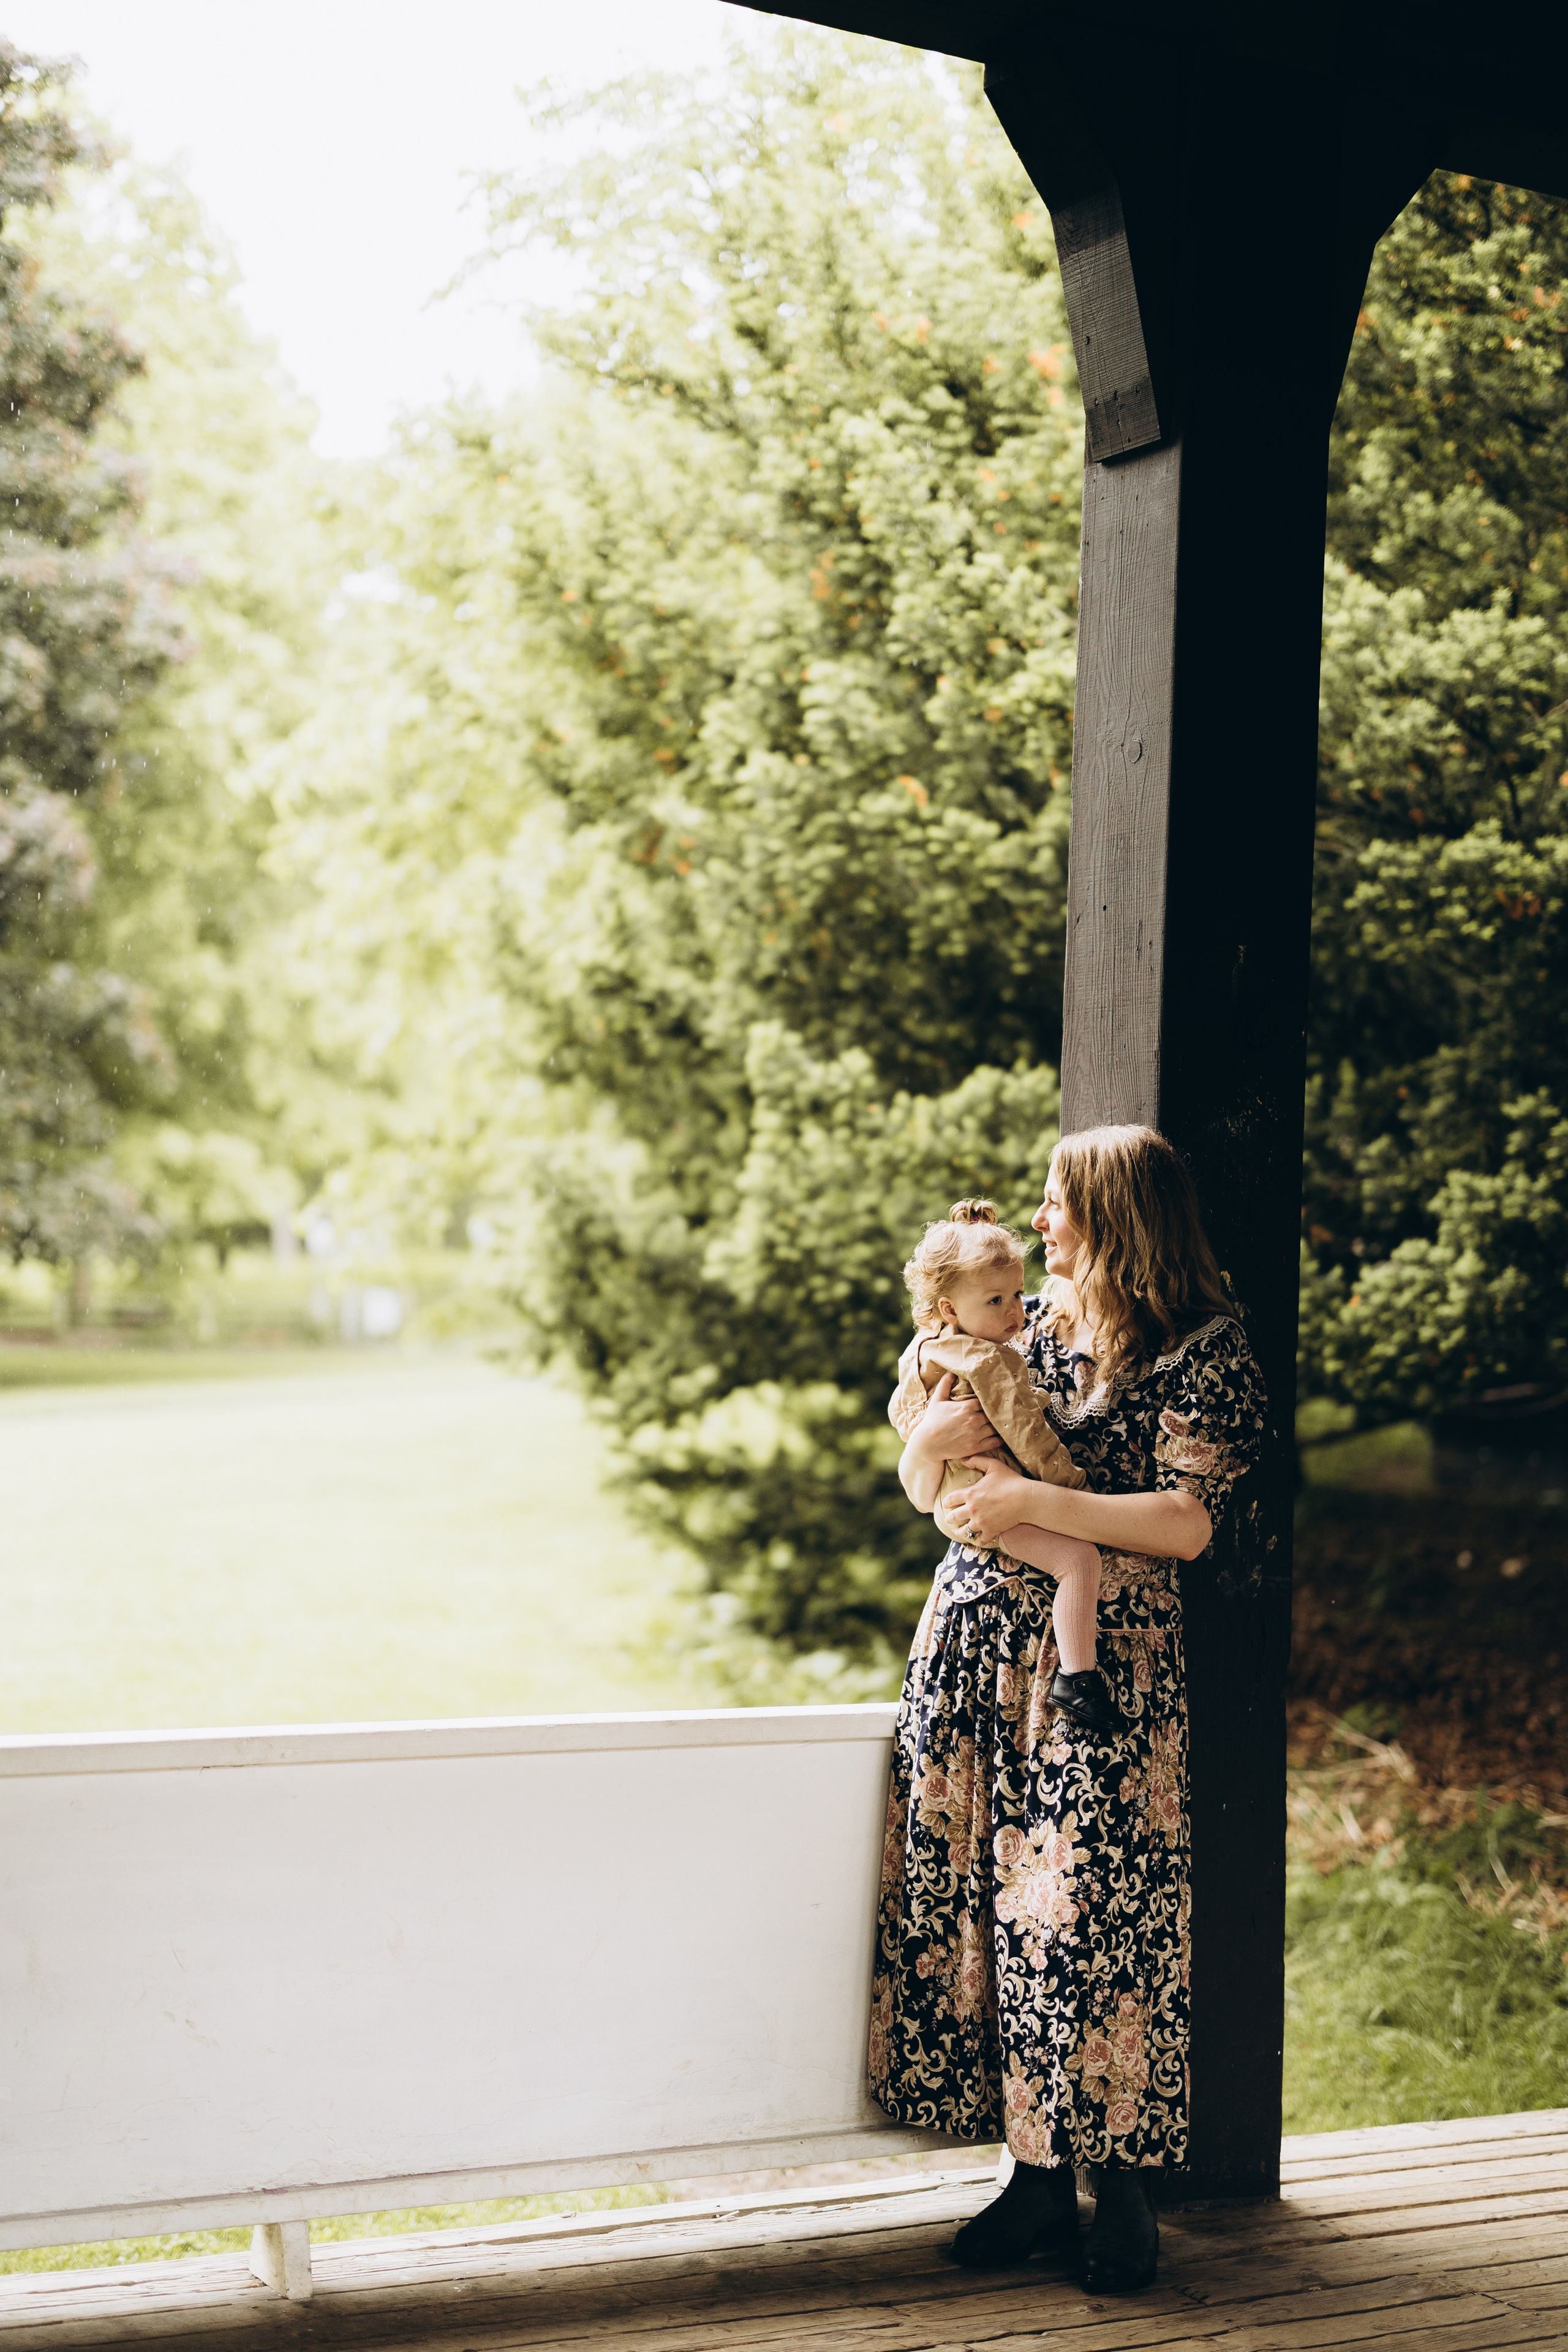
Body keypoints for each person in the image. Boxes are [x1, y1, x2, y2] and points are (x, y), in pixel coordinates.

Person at [867, 1124, 1267, 2293]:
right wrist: (918, 1459)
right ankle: (1034, 2185)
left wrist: (1040, 1498)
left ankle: (1121, 2189)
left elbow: (1185, 1525)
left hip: (1108, 1667)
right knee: (987, 1910)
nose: (1042, 1224)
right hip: (975, 1643)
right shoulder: (1027, 1322)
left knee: (1095, 1917)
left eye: (1058, 1203)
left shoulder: (1205, 1351)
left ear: (1115, 1216)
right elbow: (930, 1467)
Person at [889, 1197, 1120, 1737]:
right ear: (949, 1308)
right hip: (986, 1506)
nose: (1016, 1311)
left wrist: (923, 1432)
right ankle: (1078, 1678)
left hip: (959, 1500)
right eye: (997, 1300)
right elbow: (1026, 1435)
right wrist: (1070, 1486)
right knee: (1079, 1559)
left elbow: (903, 1410)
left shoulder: (925, 1348)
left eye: (1017, 1293)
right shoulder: (987, 1359)